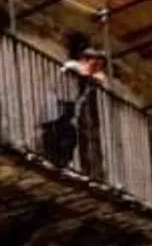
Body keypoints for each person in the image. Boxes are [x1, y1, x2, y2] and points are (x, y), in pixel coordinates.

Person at [41, 35, 107, 171]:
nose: (96, 68)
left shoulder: (90, 76)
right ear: (84, 60)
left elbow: (101, 79)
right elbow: (77, 70)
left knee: (69, 134)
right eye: (95, 64)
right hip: (56, 102)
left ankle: (63, 161)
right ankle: (53, 158)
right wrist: (91, 75)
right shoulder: (73, 65)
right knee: (58, 130)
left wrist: (94, 76)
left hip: (68, 106)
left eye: (99, 66)